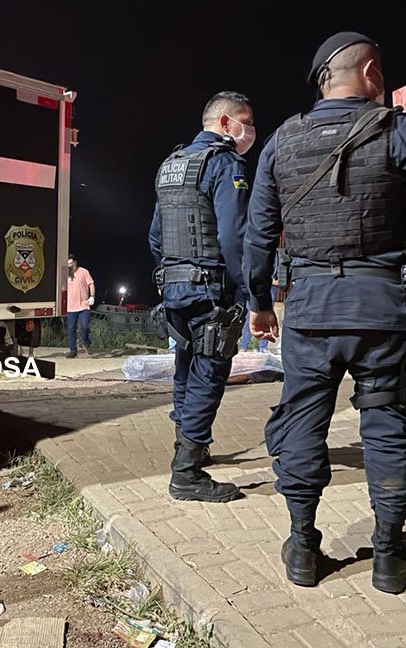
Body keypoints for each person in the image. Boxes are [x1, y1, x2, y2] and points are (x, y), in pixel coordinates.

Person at [243, 32, 406, 594]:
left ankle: (304, 546)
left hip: (309, 312)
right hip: (386, 312)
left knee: (302, 422)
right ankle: (387, 555)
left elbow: (257, 234)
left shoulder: (283, 140)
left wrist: (259, 302)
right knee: (387, 427)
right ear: (373, 73)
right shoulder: (404, 132)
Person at [149, 91, 255, 503]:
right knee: (208, 376)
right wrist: (248, 291)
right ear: (226, 123)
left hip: (173, 287)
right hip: (211, 289)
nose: (251, 132)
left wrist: (171, 275)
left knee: (185, 369)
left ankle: (188, 447)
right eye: (247, 121)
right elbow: (234, 237)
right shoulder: (225, 163)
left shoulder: (171, 165)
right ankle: (187, 473)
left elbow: (156, 236)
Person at [65, 253, 95, 358]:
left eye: (71, 263)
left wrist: (92, 296)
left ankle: (86, 343)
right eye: (68, 264)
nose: (70, 266)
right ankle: (73, 350)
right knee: (71, 329)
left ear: (75, 262)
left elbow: (91, 284)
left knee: (84, 326)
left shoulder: (83, 271)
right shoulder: (65, 274)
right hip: (70, 307)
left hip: (83, 305)